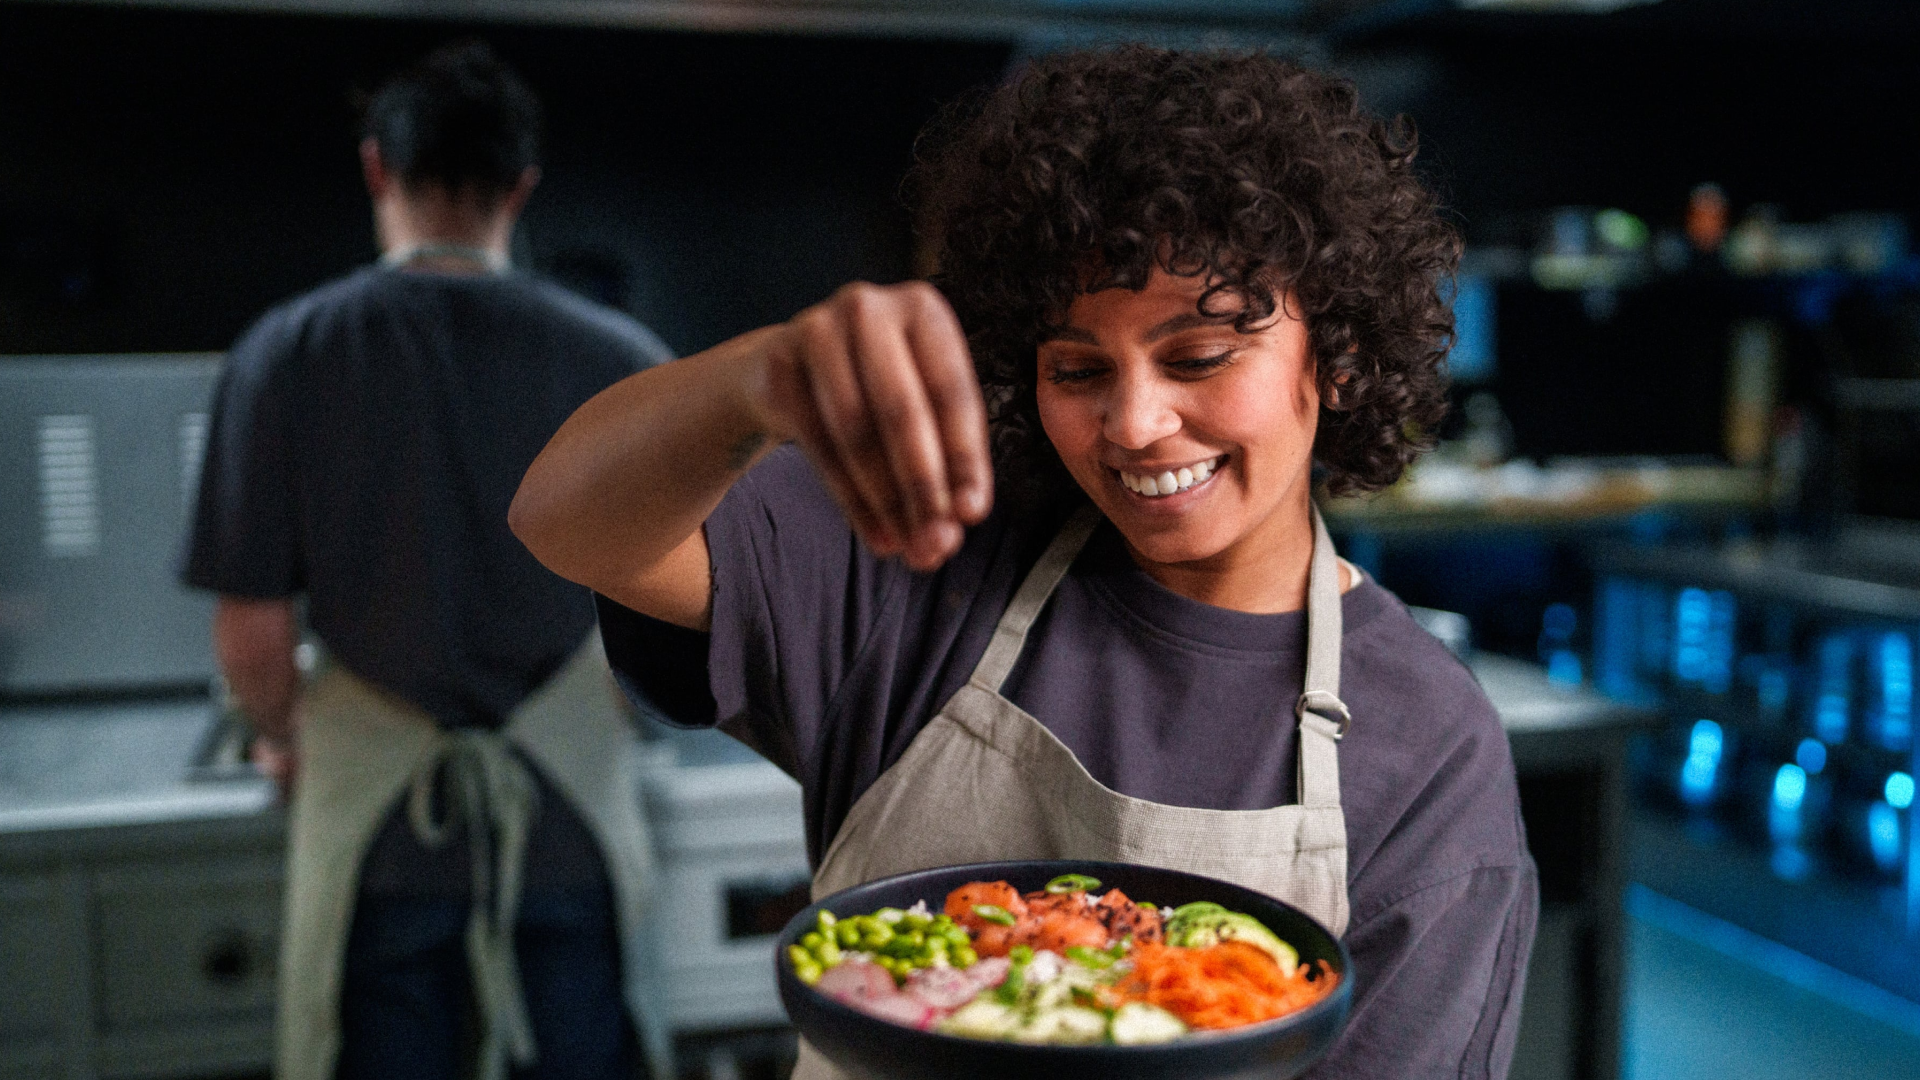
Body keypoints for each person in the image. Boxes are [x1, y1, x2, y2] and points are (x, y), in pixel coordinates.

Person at [511, 46, 1536, 1080]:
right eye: (1078, 369)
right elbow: (563, 521)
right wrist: (759, 379)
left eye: (1197, 357)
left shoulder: (1426, 746)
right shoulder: (921, 555)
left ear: (1341, 356)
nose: (1133, 423)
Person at [182, 41, 672, 1080]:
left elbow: (253, 636)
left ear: (377, 168)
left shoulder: (286, 353)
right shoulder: (623, 362)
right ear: (522, 187)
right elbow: (682, 624)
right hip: (568, 833)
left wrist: (281, 734)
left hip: (384, 849)